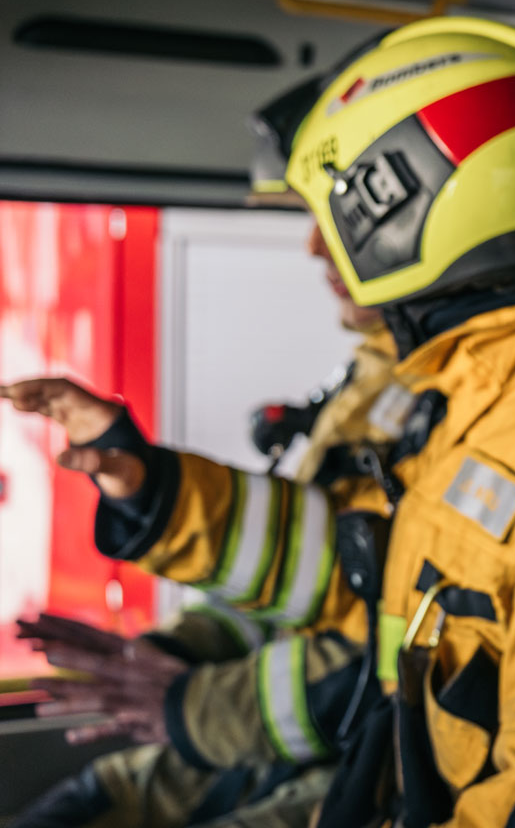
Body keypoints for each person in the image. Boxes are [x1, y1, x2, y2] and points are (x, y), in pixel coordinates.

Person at [17, 17, 515, 828]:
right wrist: (157, 490)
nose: (314, 249)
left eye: (334, 216)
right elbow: (362, 570)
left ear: (415, 205)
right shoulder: (476, 395)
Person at [5, 76, 416, 828]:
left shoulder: (456, 399)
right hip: (300, 729)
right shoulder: (376, 374)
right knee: (105, 797)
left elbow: (388, 638)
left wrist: (188, 705)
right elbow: (309, 577)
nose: (315, 245)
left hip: (367, 753)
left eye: (336, 215)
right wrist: (177, 652)